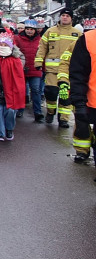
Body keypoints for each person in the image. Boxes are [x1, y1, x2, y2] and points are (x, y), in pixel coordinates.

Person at [36, 10, 81, 128]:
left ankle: (63, 119)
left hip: (68, 71)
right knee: (50, 92)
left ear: (71, 18)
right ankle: (50, 112)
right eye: (63, 15)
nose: (65, 17)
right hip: (52, 70)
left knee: (66, 95)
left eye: (67, 16)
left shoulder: (77, 34)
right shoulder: (50, 31)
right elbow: (42, 48)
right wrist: (38, 62)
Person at [67, 18, 96, 166]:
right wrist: (79, 103)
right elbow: (78, 74)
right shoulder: (88, 40)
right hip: (93, 102)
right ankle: (82, 151)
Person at [0, 32, 26, 141]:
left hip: (11, 91)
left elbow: (19, 78)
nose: (3, 47)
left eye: (6, 45)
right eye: (1, 45)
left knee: (10, 112)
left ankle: (9, 129)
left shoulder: (15, 61)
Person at [15, 19, 45, 122]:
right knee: (21, 91)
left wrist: (42, 67)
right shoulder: (18, 39)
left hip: (35, 69)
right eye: (27, 29)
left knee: (35, 90)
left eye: (31, 29)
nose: (29, 31)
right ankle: (20, 109)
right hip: (21, 69)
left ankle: (37, 112)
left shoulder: (41, 40)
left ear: (35, 30)